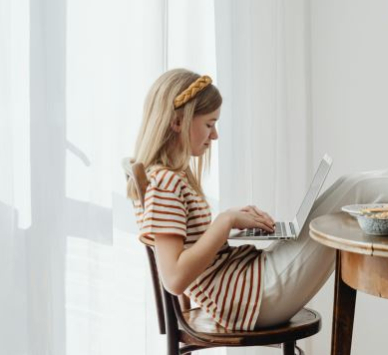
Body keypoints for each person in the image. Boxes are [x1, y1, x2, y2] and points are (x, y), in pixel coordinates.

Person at [126, 69, 337, 330]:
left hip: (247, 287)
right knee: (349, 194)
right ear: (178, 122)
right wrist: (225, 221)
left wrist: (233, 219)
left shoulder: (171, 178)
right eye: (209, 124)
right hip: (250, 300)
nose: (215, 135)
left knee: (344, 195)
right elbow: (174, 279)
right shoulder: (166, 184)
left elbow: (191, 251)